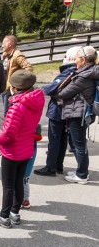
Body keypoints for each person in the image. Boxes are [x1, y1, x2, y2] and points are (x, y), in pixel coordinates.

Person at [0, 70, 44, 228]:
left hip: (12, 151)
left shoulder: (17, 107)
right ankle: (15, 212)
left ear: (16, 87)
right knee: (19, 181)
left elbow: (8, 134)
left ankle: (4, 216)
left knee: (8, 185)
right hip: (26, 147)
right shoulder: (36, 102)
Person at [34, 46, 80, 177]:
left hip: (58, 109)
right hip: (66, 109)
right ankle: (58, 165)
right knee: (62, 139)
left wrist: (41, 88)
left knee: (54, 139)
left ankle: (51, 167)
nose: (64, 58)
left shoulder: (69, 71)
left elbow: (53, 89)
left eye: (66, 56)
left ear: (71, 58)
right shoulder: (77, 71)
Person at [57, 46, 98, 185]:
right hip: (84, 112)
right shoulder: (91, 72)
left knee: (79, 144)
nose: (75, 61)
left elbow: (62, 93)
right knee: (79, 143)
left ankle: (82, 174)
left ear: (84, 60)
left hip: (78, 113)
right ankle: (81, 171)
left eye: (77, 59)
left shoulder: (83, 76)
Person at [1, 35, 33, 115]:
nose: (2, 46)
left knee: (8, 114)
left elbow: (28, 68)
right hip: (5, 89)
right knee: (7, 113)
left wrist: (18, 85)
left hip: (11, 90)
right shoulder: (5, 54)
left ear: (10, 44)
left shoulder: (17, 55)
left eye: (3, 43)